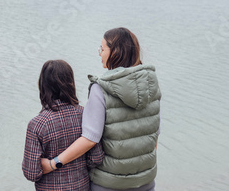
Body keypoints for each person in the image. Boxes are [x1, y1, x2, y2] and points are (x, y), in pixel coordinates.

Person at [41, 27, 162, 191]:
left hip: (109, 184)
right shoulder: (151, 85)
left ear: (115, 52)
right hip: (145, 181)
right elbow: (153, 137)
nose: (99, 53)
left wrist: (52, 164)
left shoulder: (101, 88)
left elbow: (90, 138)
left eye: (102, 48)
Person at [23, 60, 104, 190]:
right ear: (71, 84)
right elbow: (96, 158)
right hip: (81, 186)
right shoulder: (85, 114)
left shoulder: (37, 124)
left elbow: (31, 173)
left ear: (43, 85)